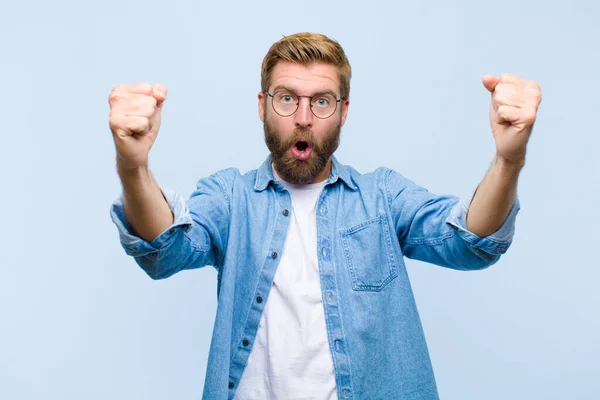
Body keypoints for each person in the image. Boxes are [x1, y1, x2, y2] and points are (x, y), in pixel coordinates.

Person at [109, 32, 541, 400]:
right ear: (262, 105)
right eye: (286, 99)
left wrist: (509, 160)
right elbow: (163, 249)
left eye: (320, 101)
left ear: (343, 111)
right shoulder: (230, 197)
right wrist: (133, 166)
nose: (302, 118)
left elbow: (471, 241)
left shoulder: (382, 196)